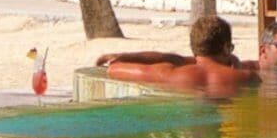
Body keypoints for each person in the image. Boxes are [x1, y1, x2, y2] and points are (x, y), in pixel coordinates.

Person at [96, 15, 257, 97]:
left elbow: (113, 69)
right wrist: (237, 66)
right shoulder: (248, 77)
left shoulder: (171, 74)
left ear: (194, 47)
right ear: (226, 48)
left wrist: (121, 58)